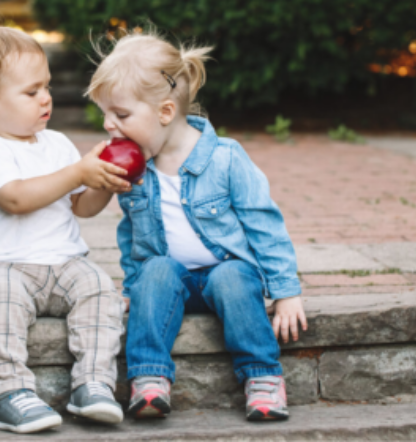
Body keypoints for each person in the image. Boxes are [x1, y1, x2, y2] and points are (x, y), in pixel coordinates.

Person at [86, 30, 308, 422]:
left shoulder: (226, 158)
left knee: (234, 277)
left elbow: (264, 224)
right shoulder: (137, 169)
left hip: (227, 274)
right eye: (106, 114)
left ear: (166, 112)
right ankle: (149, 379)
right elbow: (133, 235)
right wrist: (133, 287)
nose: (108, 126)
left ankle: (262, 377)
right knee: (155, 271)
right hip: (172, 281)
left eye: (120, 115)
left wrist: (286, 291)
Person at [0, 20, 132, 433]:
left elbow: (81, 207)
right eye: (31, 92)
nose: (46, 98)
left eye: (46, 87)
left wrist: (104, 182)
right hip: (4, 265)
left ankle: (92, 384)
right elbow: (16, 198)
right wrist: (79, 171)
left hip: (64, 263)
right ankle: (10, 392)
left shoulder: (56, 143)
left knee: (100, 290)